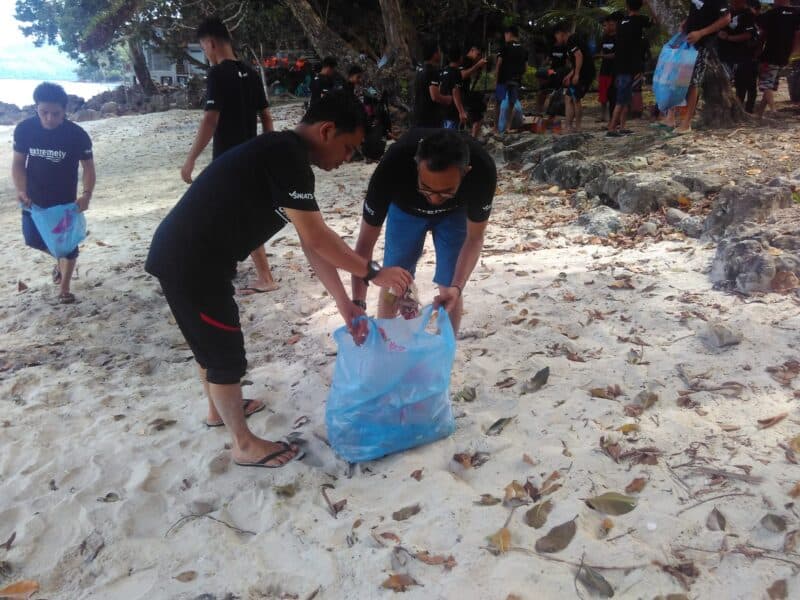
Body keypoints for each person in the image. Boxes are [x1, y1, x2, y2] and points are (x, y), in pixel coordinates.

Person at [145, 91, 413, 469]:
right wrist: (372, 272)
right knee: (223, 351)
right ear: (327, 130)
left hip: (195, 257)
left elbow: (310, 242)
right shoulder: (286, 156)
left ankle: (218, 409)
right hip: (192, 261)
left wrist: (343, 302)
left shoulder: (284, 153)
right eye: (349, 148)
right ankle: (242, 443)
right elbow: (320, 237)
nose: (347, 159)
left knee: (209, 341)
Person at [351, 129, 497, 334]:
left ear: (466, 172)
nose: (435, 199)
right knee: (394, 284)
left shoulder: (483, 170)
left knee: (450, 288)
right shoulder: (393, 165)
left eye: (446, 191)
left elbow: (474, 238)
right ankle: (387, 344)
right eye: (426, 188)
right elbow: (365, 244)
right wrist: (358, 305)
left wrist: (457, 287)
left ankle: (446, 348)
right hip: (405, 210)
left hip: (454, 213)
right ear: (416, 166)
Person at [180, 17, 278, 296]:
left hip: (227, 159)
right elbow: (266, 115)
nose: (206, 53)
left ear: (210, 43)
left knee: (238, 214)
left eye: (203, 47)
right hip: (251, 155)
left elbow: (210, 120)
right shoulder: (250, 71)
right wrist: (267, 146)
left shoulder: (217, 74)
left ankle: (265, 276)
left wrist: (190, 160)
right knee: (224, 211)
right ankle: (225, 264)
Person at [12, 82, 95, 304]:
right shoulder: (25, 130)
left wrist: (86, 195)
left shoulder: (76, 135)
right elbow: (18, 163)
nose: (49, 118)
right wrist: (21, 189)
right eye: (44, 112)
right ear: (36, 107)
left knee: (67, 247)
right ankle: (60, 260)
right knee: (32, 240)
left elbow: (88, 167)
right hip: (33, 199)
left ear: (65, 110)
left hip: (64, 202)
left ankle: (64, 289)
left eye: (56, 113)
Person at [674, 0, 731, 134]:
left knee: (693, 82)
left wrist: (701, 33)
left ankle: (687, 123)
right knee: (681, 81)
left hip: (702, 45)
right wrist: (686, 22)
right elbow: (696, 13)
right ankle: (674, 118)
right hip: (687, 43)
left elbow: (726, 18)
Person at [607, 0, 652, 137]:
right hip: (630, 66)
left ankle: (622, 127)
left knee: (625, 99)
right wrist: (650, 4)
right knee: (621, 99)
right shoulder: (640, 20)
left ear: (627, 6)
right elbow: (655, 21)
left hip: (620, 65)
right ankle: (611, 128)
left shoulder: (621, 23)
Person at [755, 0, 800, 117]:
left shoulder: (771, 14)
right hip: (786, 55)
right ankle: (760, 112)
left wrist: (758, 50)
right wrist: (793, 53)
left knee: (766, 84)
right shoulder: (797, 13)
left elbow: (761, 33)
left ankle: (773, 111)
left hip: (770, 54)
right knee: (770, 83)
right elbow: (797, 36)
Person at [553, 22, 596, 133]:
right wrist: (571, 74)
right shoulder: (571, 42)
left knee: (575, 99)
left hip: (585, 74)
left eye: (556, 36)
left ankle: (578, 127)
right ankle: (568, 125)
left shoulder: (572, 40)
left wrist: (576, 74)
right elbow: (579, 60)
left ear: (561, 33)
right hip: (581, 72)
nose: (556, 39)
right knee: (568, 98)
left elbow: (579, 56)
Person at [718, 0, 760, 113]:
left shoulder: (748, 15)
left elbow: (748, 35)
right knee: (727, 83)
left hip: (744, 54)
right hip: (725, 54)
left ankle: (745, 109)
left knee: (745, 84)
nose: (732, 3)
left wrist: (728, 38)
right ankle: (730, 108)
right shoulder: (726, 11)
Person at [494, 25, 528, 132]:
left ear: (509, 34)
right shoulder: (524, 49)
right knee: (512, 103)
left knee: (498, 102)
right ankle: (508, 127)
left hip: (503, 79)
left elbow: (499, 63)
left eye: (505, 34)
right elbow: (526, 68)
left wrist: (496, 80)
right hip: (516, 80)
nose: (505, 36)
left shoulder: (504, 47)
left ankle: (495, 128)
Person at [412, 41, 452, 127]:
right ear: (434, 54)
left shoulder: (420, 70)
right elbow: (435, 97)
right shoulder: (432, 71)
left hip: (418, 116)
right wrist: (448, 99)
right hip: (429, 119)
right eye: (438, 51)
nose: (440, 54)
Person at [459, 45, 490, 137]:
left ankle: (473, 137)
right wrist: (477, 65)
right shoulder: (465, 61)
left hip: (471, 92)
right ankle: (473, 138)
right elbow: (463, 75)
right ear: (472, 50)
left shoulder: (472, 61)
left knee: (478, 115)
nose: (478, 57)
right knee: (476, 116)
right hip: (464, 93)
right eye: (478, 54)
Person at [439, 46, 467, 129]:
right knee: (452, 136)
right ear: (460, 57)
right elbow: (455, 92)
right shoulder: (456, 73)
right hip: (452, 111)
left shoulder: (443, 71)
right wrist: (461, 111)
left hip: (443, 110)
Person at [597, 14, 619, 122]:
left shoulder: (618, 38)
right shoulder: (603, 38)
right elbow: (599, 51)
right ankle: (603, 115)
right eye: (605, 25)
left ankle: (614, 117)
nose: (606, 27)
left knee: (612, 94)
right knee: (602, 94)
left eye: (609, 25)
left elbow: (617, 54)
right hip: (604, 69)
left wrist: (602, 56)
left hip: (614, 70)